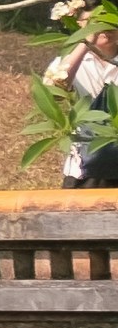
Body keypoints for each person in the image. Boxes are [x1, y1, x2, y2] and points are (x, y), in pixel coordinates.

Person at [51, 13, 118, 193]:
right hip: (84, 167)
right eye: (93, 22)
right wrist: (84, 44)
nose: (101, 27)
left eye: (109, 19)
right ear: (79, 24)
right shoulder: (70, 60)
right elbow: (52, 93)